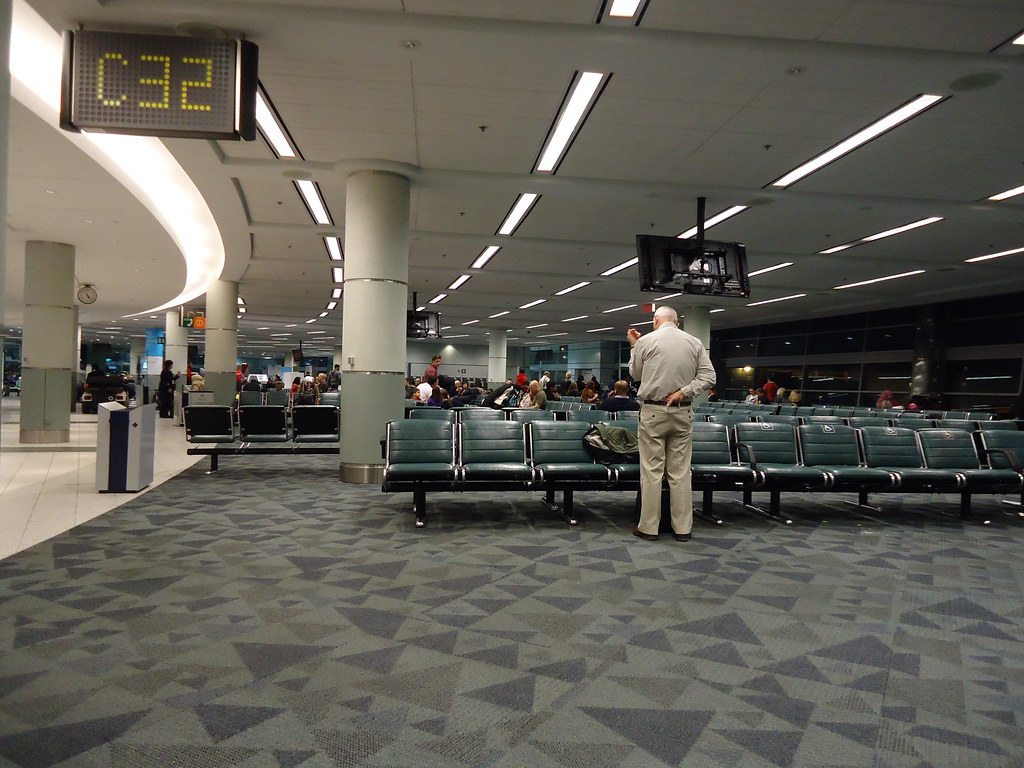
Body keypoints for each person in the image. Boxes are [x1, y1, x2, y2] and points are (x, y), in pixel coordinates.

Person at [627, 306, 715, 543]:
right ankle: (683, 528)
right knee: (680, 472)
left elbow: (635, 374)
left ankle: (649, 527)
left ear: (656, 320)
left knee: (652, 472)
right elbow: (709, 377)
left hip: (653, 412)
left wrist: (635, 346)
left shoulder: (646, 341)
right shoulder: (695, 342)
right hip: (682, 412)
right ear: (677, 323)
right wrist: (684, 391)